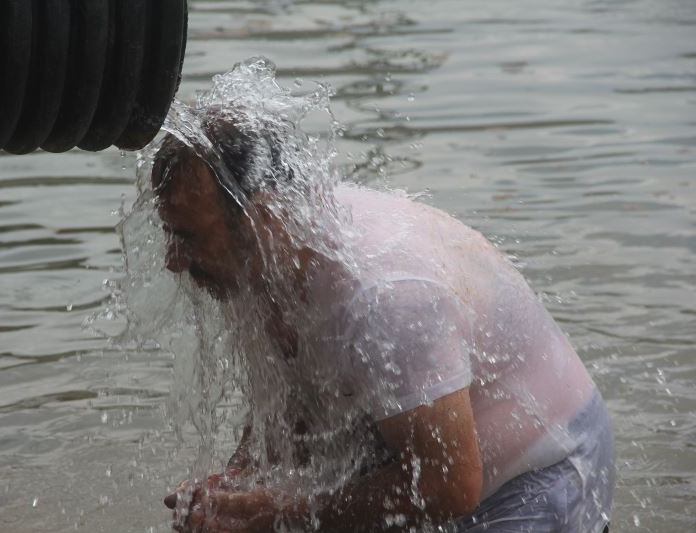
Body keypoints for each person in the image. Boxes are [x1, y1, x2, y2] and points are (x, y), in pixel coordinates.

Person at [155, 106, 616, 532]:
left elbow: (448, 484)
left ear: (265, 217)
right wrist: (237, 488)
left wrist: (277, 514)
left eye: (188, 237)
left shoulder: (384, 296)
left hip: (540, 472)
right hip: (427, 458)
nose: (173, 261)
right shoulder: (259, 262)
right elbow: (289, 411)